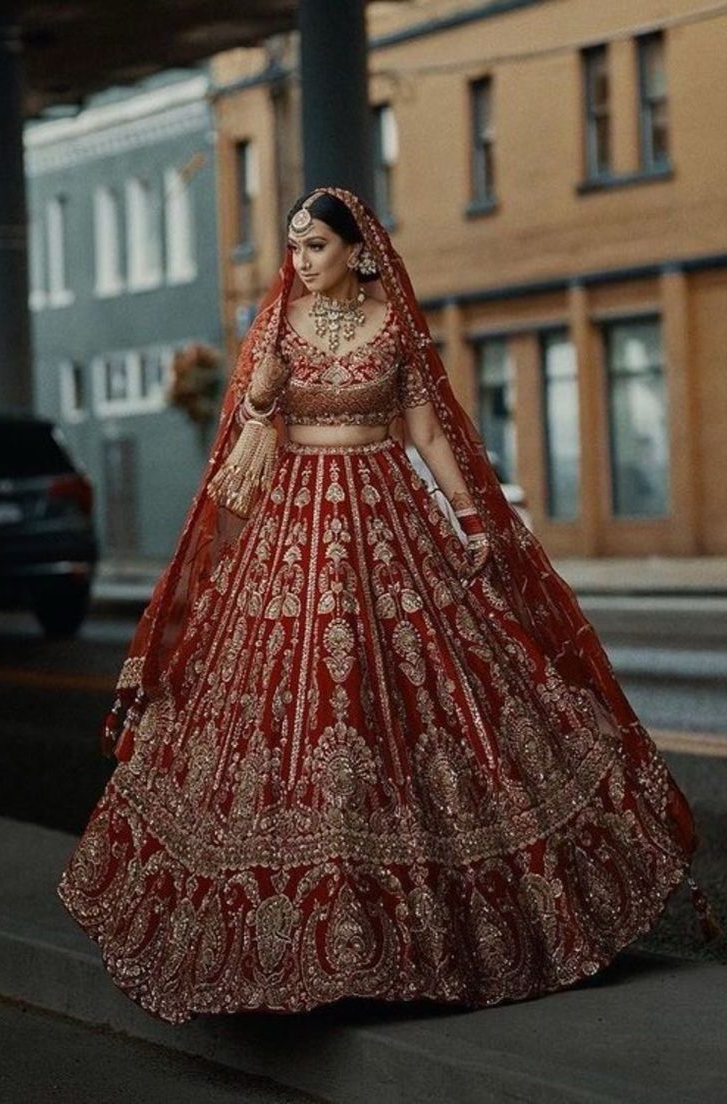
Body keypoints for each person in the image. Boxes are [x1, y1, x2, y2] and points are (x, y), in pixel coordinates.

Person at [56, 186, 718, 1025]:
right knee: (288, 708)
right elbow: (246, 437)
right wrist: (260, 394)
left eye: (316, 248)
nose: (300, 262)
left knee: (418, 698)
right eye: (294, 249)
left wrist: (471, 516)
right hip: (292, 534)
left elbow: (430, 432)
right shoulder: (280, 328)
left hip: (388, 518)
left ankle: (424, 934)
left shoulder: (393, 325)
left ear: (358, 251)